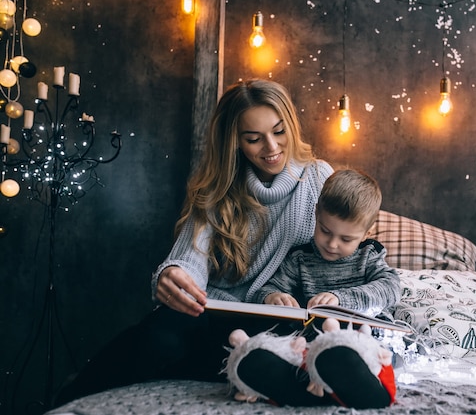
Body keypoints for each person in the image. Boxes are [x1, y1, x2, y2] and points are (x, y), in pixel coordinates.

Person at [54, 78, 335, 407]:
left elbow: (348, 249)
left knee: (308, 344)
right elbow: (190, 258)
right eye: (254, 139)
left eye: (279, 131)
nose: (271, 148)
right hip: (215, 317)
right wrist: (172, 276)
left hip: (279, 321)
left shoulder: (319, 177)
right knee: (161, 334)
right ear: (235, 143)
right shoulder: (218, 188)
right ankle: (71, 401)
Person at [253, 168, 400, 319]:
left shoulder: (368, 255)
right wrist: (272, 297)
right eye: (325, 231)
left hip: (366, 333)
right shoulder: (300, 258)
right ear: (316, 213)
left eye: (346, 239)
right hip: (316, 334)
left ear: (366, 234)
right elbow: (269, 288)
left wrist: (340, 299)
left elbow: (391, 288)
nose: (332, 244)